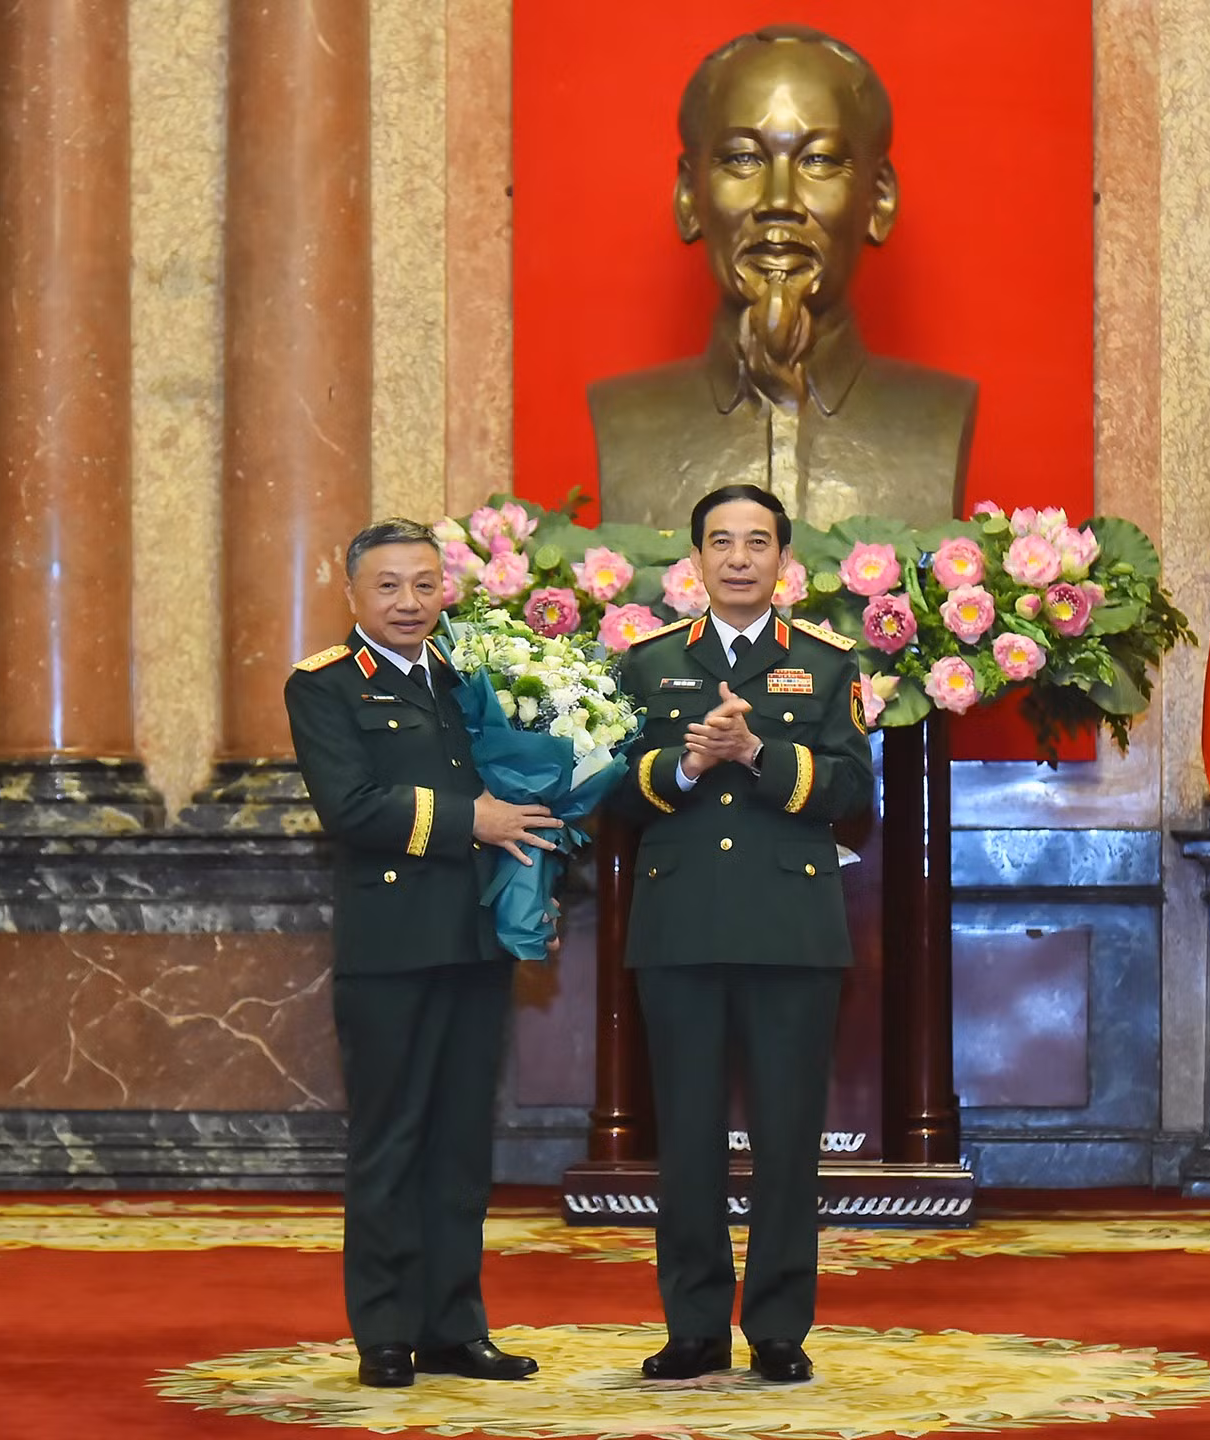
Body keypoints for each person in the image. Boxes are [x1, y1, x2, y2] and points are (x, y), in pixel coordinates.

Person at [284, 517, 564, 1390]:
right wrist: (471, 820)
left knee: (458, 1146)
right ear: (353, 593)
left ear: (446, 588)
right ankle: (386, 1333)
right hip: (393, 946)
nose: (409, 602)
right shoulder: (324, 685)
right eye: (389, 586)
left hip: (473, 940)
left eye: (424, 585)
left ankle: (455, 1327)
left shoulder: (468, 675)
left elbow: (512, 781)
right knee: (391, 1141)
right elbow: (352, 805)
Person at [614, 484, 875, 1384]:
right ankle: (691, 1328)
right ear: (693, 559)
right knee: (684, 1137)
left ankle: (776, 1329)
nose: (737, 558)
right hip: (679, 926)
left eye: (755, 542)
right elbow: (610, 794)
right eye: (720, 542)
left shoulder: (829, 664)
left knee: (787, 1138)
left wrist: (758, 754)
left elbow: (852, 796)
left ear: (782, 560)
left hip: (790, 928)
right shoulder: (648, 665)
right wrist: (686, 762)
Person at [589, 24, 976, 531]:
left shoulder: (939, 417)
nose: (778, 202)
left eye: (818, 160)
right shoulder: (626, 419)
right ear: (689, 197)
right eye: (743, 159)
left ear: (879, 199)